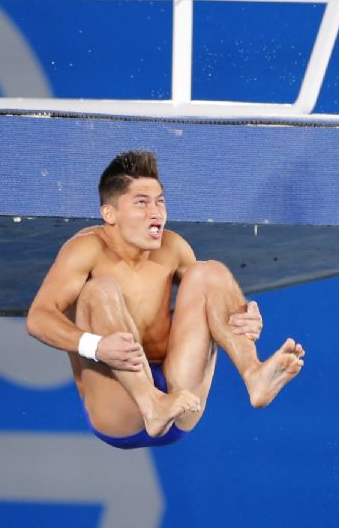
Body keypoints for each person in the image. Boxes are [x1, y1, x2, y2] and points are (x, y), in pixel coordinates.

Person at [26, 150, 304, 448]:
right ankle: (150, 402)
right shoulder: (85, 249)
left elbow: (214, 298)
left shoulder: (173, 247)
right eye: (141, 203)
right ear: (110, 214)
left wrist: (244, 319)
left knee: (209, 271)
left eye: (160, 201)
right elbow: (38, 318)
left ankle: (254, 375)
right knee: (98, 290)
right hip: (118, 407)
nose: (156, 212)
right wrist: (97, 346)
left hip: (178, 397)